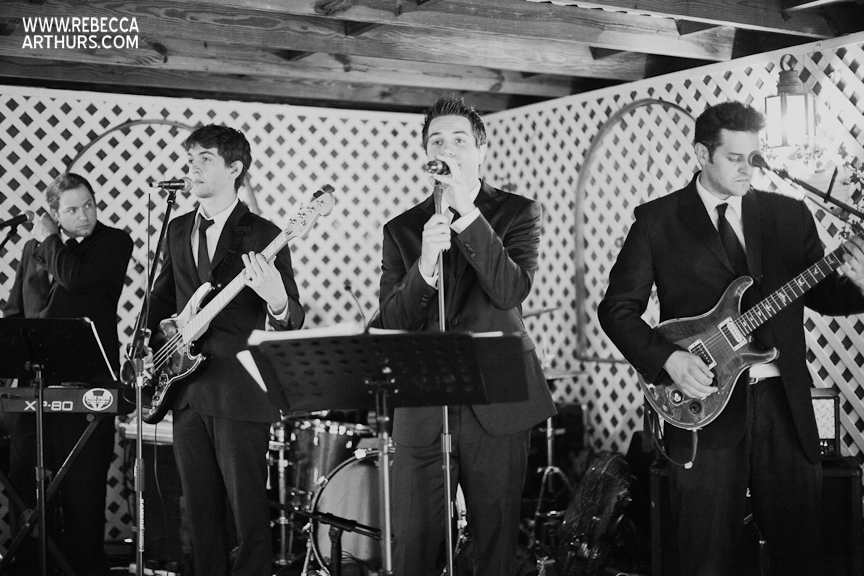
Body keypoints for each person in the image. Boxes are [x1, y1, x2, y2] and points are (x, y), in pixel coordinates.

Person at [597, 101, 864, 576]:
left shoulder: (789, 214)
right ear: (702, 154)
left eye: (753, 157)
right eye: (734, 158)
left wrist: (861, 284)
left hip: (784, 403)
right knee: (706, 556)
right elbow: (617, 309)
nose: (748, 168)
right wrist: (669, 360)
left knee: (802, 551)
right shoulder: (657, 220)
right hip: (703, 405)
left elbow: (822, 294)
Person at [376, 96, 556, 575]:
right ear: (426, 154)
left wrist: (469, 215)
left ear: (481, 150)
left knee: (495, 541)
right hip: (423, 397)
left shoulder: (519, 212)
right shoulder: (401, 228)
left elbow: (509, 291)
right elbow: (391, 320)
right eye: (437, 141)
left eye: (459, 139)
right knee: (412, 540)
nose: (448, 148)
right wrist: (423, 267)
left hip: (498, 392)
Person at [145, 124, 304, 576]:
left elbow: (291, 315)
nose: (192, 168)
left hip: (239, 391)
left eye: (205, 159)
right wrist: (154, 345)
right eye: (190, 158)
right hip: (184, 388)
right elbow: (162, 299)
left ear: (235, 169)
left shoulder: (264, 234)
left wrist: (277, 300)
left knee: (248, 514)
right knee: (200, 515)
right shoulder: (177, 228)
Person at [3, 172, 133, 576]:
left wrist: (48, 240)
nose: (85, 215)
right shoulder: (35, 249)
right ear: (55, 214)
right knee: (25, 487)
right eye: (73, 210)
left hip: (87, 390)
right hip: (34, 391)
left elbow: (74, 278)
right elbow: (16, 311)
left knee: (82, 491)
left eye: (89, 205)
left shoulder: (113, 243)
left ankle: (83, 567)